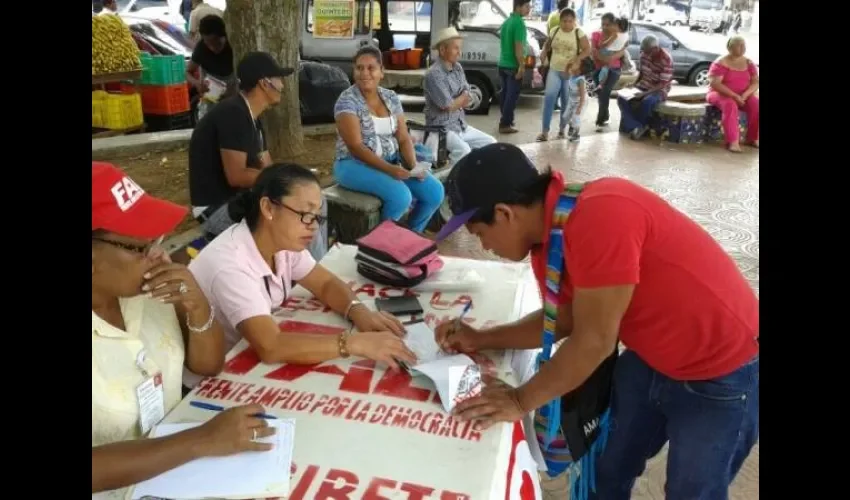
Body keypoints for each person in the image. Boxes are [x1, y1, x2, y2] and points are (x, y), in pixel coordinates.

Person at [432, 143, 759, 500]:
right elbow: (567, 319)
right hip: (652, 356)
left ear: (505, 213)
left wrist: (519, 401)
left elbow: (594, 341)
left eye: (479, 234)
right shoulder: (550, 234)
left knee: (693, 491)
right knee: (606, 466)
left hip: (722, 370)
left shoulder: (601, 214)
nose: (484, 246)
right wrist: (481, 339)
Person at [92, 162, 269, 500]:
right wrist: (201, 440)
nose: (158, 255)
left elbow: (207, 365)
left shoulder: (147, 292)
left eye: (156, 240)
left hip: (180, 475)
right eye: (140, 248)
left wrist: (197, 306)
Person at [184, 163, 418, 389]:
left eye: (317, 216)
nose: (313, 226)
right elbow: (272, 346)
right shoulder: (231, 263)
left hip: (248, 361)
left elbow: (324, 283)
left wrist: (358, 311)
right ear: (268, 208)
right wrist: (354, 343)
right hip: (214, 380)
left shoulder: (282, 243)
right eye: (305, 214)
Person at [188, 51, 327, 263]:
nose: (282, 85)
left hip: (239, 202)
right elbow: (237, 175)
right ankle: (318, 271)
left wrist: (291, 179)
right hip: (216, 211)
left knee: (309, 199)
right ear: (264, 83)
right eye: (279, 79)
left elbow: (268, 166)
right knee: (303, 207)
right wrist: (286, 182)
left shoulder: (253, 117)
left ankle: (314, 270)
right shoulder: (233, 114)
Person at [333, 45, 444, 233]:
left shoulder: (390, 97)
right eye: (359, 68)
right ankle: (379, 245)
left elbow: (403, 137)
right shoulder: (346, 101)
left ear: (381, 72)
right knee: (400, 196)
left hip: (391, 161)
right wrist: (390, 170)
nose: (364, 73)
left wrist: (413, 165)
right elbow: (356, 147)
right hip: (353, 165)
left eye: (371, 68)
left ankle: (410, 234)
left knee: (435, 192)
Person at [423, 27, 496, 166]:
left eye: (460, 48)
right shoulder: (433, 74)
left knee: (491, 143)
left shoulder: (458, 68)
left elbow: (468, 92)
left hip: (460, 126)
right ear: (443, 50)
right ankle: (451, 179)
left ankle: (476, 174)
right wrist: (461, 99)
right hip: (441, 129)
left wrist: (460, 99)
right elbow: (447, 105)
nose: (459, 52)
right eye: (455, 48)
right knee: (464, 151)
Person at [537, 8, 590, 142]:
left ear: (574, 21)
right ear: (560, 21)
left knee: (567, 103)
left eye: (570, 21)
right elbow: (547, 45)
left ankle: (562, 130)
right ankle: (544, 132)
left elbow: (587, 49)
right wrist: (543, 52)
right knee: (549, 98)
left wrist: (578, 58)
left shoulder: (579, 32)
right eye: (564, 21)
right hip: (554, 69)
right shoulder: (554, 30)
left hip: (570, 73)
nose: (567, 24)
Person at [707, 35, 759, 152]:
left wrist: (745, 95)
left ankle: (752, 138)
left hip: (743, 94)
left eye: (744, 45)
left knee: (756, 104)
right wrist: (734, 96)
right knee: (730, 104)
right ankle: (732, 142)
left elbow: (756, 82)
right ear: (730, 48)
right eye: (739, 45)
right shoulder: (721, 62)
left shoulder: (749, 63)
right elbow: (715, 84)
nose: (743, 48)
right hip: (719, 93)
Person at [617, 34, 674, 140]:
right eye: (644, 51)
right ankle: (637, 126)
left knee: (647, 102)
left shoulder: (666, 59)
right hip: (643, 85)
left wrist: (643, 94)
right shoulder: (644, 55)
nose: (645, 54)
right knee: (622, 98)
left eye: (648, 51)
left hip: (659, 89)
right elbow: (642, 73)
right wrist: (633, 85)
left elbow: (662, 84)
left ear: (656, 48)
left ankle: (636, 126)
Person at [186, 15, 235, 121]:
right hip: (211, 98)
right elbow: (187, 72)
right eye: (208, 43)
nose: (212, 48)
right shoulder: (201, 49)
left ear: (224, 36)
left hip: (234, 97)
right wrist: (197, 84)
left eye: (217, 43)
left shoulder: (234, 46)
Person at [497, 0, 532, 134]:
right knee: (512, 96)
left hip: (502, 64)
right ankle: (505, 124)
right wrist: (521, 66)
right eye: (527, 6)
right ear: (518, 7)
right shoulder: (519, 23)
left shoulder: (507, 22)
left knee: (505, 94)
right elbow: (518, 47)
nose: (529, 9)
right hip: (513, 65)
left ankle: (507, 120)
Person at [590, 13, 627, 133]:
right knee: (601, 94)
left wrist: (609, 58)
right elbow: (594, 52)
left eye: (608, 24)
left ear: (614, 25)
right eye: (603, 24)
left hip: (614, 70)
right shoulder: (596, 35)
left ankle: (600, 119)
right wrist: (605, 58)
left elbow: (622, 52)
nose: (605, 27)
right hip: (598, 69)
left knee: (604, 91)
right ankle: (605, 116)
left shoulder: (619, 37)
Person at [595, 17, 629, 91]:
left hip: (607, 51)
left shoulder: (615, 34)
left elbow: (605, 44)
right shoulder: (626, 35)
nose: (613, 26)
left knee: (604, 67)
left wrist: (602, 44)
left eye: (614, 25)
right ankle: (601, 84)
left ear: (619, 27)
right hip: (615, 53)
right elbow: (624, 46)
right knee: (605, 68)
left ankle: (600, 83)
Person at [563, 64, 586, 142]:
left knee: (576, 118)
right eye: (572, 68)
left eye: (576, 69)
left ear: (580, 70)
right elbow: (565, 76)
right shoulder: (571, 76)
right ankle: (572, 126)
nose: (573, 70)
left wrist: (580, 107)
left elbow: (583, 95)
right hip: (571, 101)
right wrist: (567, 67)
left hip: (579, 102)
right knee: (565, 117)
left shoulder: (580, 80)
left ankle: (576, 135)